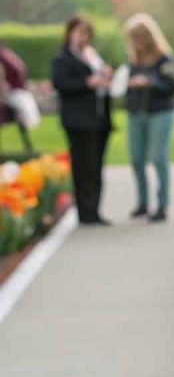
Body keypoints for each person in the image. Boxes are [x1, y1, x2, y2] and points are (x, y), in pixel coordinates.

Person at [51, 15, 113, 226]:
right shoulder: (63, 58)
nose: (83, 37)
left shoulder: (92, 56)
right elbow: (61, 84)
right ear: (70, 33)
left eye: (87, 33)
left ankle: (94, 209)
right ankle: (84, 211)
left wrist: (105, 77)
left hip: (99, 119)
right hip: (78, 121)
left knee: (96, 166)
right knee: (82, 166)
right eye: (79, 32)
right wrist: (87, 83)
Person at [123, 13, 174, 223]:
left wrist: (150, 82)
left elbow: (173, 85)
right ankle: (142, 202)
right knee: (136, 158)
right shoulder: (133, 61)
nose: (135, 42)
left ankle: (162, 205)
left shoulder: (164, 59)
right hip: (137, 112)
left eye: (138, 37)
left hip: (160, 112)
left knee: (158, 158)